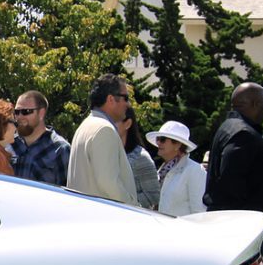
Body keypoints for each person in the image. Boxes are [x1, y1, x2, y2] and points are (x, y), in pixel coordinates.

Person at [66, 74, 138, 205]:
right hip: (104, 214)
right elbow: (108, 182)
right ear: (111, 99)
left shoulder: (85, 126)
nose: (128, 104)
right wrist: (133, 206)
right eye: (126, 98)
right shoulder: (104, 129)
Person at [203, 82, 263, 215]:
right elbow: (231, 182)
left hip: (228, 215)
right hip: (240, 218)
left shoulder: (228, 127)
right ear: (256, 104)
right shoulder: (244, 134)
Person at [147, 120, 206, 217]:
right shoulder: (162, 171)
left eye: (162, 139)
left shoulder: (194, 170)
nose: (158, 142)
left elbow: (199, 212)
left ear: (178, 144)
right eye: (158, 139)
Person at [10, 90, 70, 185]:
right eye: (16, 112)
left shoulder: (59, 149)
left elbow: (65, 189)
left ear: (41, 113)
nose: (20, 117)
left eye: (26, 112)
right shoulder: (10, 143)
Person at [118, 105, 160, 210]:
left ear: (127, 124)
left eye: (114, 120)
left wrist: (125, 204)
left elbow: (153, 195)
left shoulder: (140, 157)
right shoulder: (108, 152)